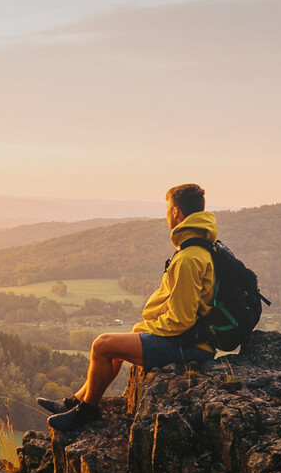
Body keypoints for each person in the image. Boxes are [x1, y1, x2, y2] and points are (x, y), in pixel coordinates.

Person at [37, 183, 218, 432]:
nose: (167, 215)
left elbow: (182, 320)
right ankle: (75, 400)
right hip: (192, 341)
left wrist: (147, 328)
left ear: (176, 213)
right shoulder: (199, 247)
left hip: (190, 346)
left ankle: (87, 411)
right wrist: (142, 330)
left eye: (168, 209)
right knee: (124, 339)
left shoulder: (188, 258)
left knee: (102, 344)